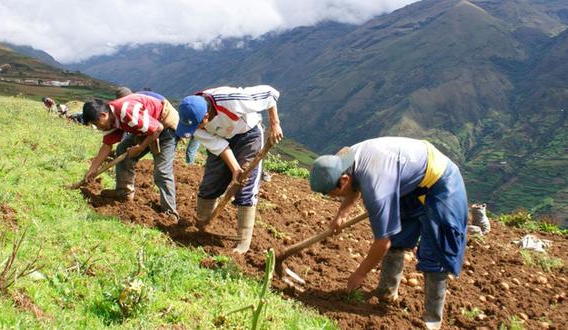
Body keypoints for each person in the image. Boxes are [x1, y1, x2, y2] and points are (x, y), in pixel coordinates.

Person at [308, 137, 468, 330]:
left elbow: (382, 242)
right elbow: (354, 185)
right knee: (398, 237)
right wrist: (341, 215)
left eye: (332, 194)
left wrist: (359, 274)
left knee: (436, 251)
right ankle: (386, 294)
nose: (333, 197)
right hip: (409, 182)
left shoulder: (376, 187)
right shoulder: (346, 159)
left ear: (343, 181)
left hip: (441, 180)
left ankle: (431, 322)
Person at [176, 85, 283, 254]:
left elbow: (270, 93)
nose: (195, 130)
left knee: (245, 187)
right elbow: (218, 145)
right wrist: (234, 168)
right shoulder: (191, 119)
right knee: (210, 184)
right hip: (222, 138)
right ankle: (203, 227)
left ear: (206, 117)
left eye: (198, 125)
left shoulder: (233, 100)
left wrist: (275, 124)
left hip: (248, 136)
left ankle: (243, 242)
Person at [81, 93, 180, 219]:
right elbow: (106, 146)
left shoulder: (126, 112)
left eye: (97, 123)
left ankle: (170, 212)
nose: (99, 127)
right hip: (146, 126)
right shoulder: (111, 118)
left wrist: (140, 147)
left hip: (166, 126)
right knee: (122, 149)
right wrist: (92, 169)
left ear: (103, 115)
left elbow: (157, 128)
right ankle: (124, 193)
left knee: (162, 171)